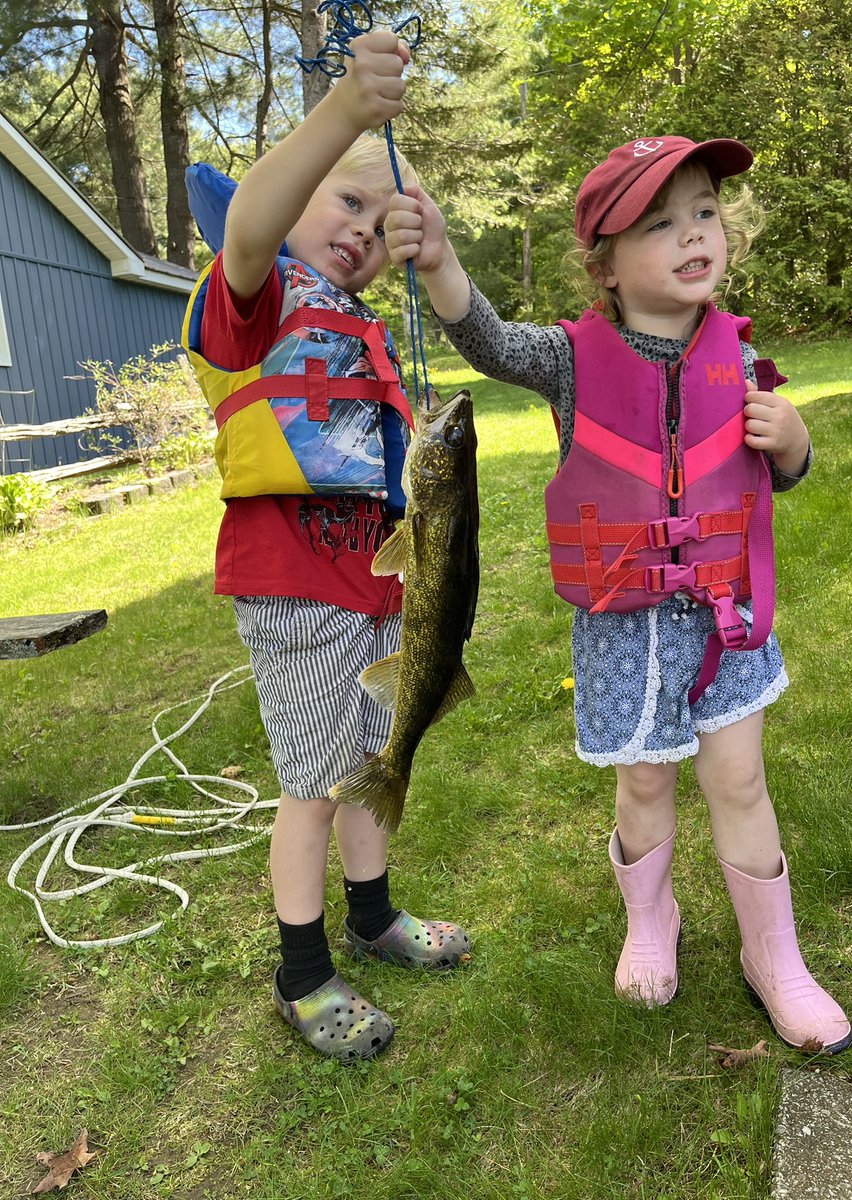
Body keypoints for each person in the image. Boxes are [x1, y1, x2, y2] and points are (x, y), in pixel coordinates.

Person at [384, 135, 851, 1053]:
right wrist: (438, 260)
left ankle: (775, 957)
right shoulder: (568, 360)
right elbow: (485, 339)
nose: (694, 236)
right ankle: (652, 920)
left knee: (740, 778)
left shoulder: (743, 359)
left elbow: (775, 481)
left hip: (727, 617)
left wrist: (792, 441)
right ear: (603, 261)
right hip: (624, 631)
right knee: (643, 781)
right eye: (661, 223)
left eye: (706, 213)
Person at [181, 31, 470, 1064]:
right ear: (296, 190)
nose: (359, 232)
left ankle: (373, 915)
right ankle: (302, 972)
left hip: (373, 589)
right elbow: (254, 219)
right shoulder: (251, 302)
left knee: (369, 764)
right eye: (343, 203)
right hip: (295, 593)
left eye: (377, 223)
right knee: (312, 780)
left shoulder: (361, 329)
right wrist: (346, 114)